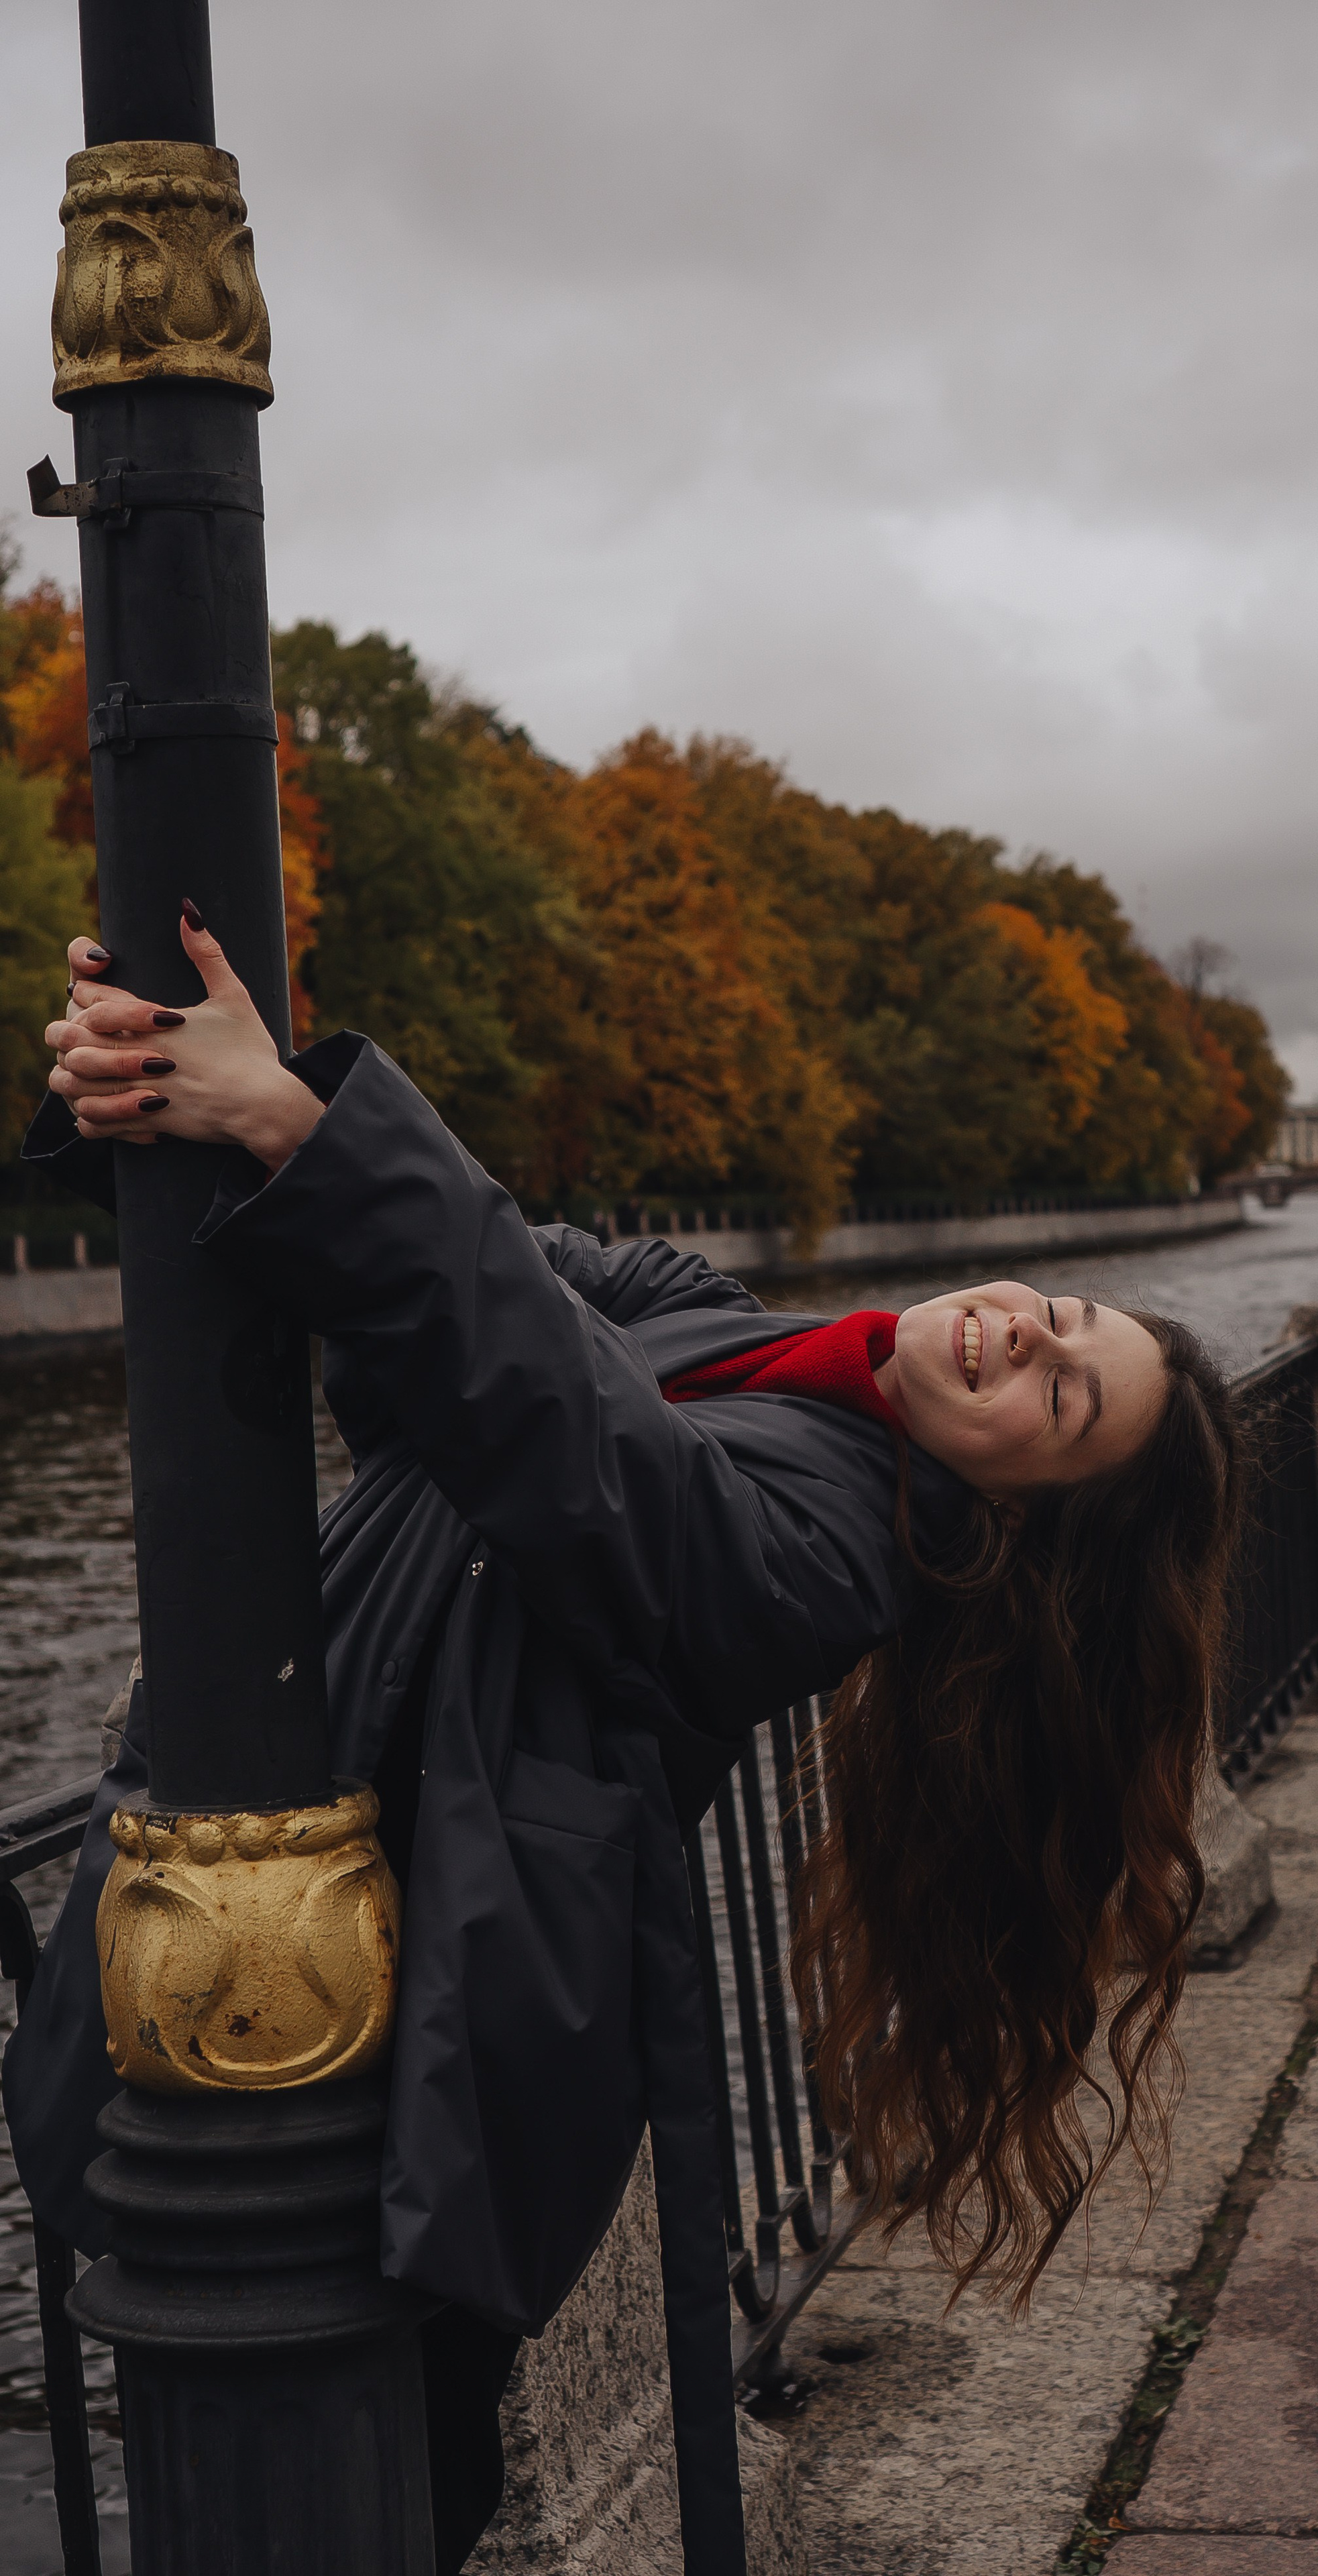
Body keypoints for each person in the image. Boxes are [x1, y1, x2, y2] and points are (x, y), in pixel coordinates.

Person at [7, 915, 1244, 2575]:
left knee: (369, 2477)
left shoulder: (835, 1563)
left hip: (424, 2029)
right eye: (1065, 1310)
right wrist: (179, 1090)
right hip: (267, 1919)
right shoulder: (719, 1328)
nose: (1022, 1330)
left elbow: (571, 1439)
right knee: (227, 2420)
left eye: (1067, 1400)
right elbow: (471, 1290)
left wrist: (299, 1124)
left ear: (1030, 1521)